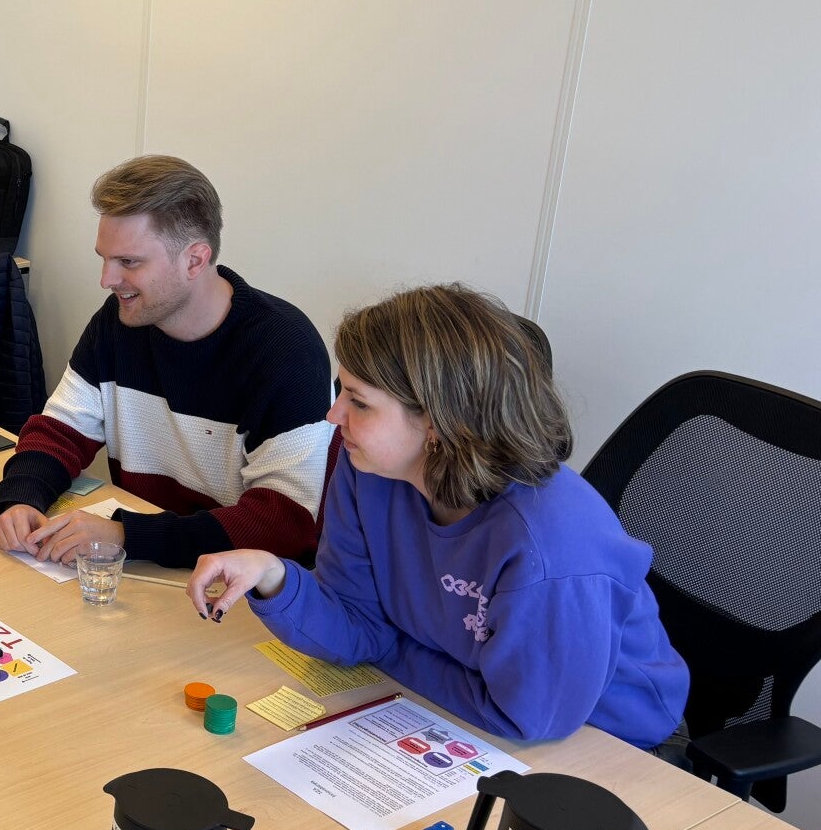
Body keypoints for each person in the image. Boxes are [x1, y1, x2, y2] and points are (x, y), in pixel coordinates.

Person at [188, 284, 689, 747]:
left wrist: (390, 650)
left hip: (611, 745)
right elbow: (358, 625)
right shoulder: (368, 470)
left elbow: (525, 717)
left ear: (436, 421)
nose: (334, 416)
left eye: (359, 402)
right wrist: (273, 576)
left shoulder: (549, 540)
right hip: (459, 707)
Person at [0, 155, 333, 569]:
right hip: (152, 566)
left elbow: (282, 524)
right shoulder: (118, 322)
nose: (106, 279)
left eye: (129, 262)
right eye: (104, 258)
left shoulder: (285, 350)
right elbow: (60, 431)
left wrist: (127, 536)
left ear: (195, 260)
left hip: (241, 586)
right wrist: (21, 497)